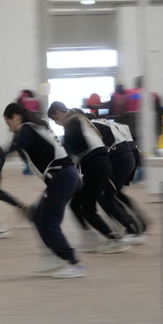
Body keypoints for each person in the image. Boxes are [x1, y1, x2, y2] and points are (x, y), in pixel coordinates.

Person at [3, 103, 85, 278]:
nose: (9, 127)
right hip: (64, 177)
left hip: (63, 177)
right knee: (36, 215)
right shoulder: (36, 127)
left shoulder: (26, 129)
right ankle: (54, 255)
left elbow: (11, 148)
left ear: (15, 117)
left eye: (8, 122)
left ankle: (75, 264)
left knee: (49, 222)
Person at [47, 102, 131, 254]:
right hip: (99, 165)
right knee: (76, 204)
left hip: (95, 166)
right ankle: (94, 237)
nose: (56, 123)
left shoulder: (72, 123)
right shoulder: (79, 119)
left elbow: (69, 152)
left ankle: (115, 238)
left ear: (59, 113)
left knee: (87, 209)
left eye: (55, 119)